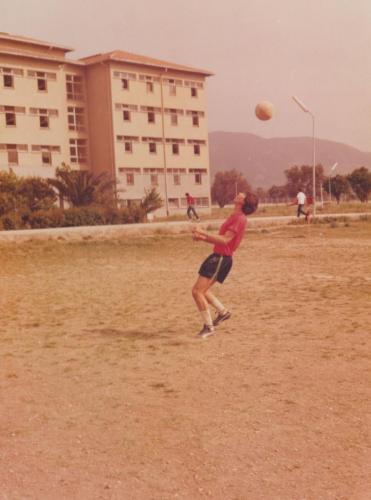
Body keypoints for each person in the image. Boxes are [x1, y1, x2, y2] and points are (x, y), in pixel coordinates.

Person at [191, 191, 259, 338]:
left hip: (221, 259)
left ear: (243, 202)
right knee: (202, 290)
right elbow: (220, 239)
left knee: (197, 292)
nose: (240, 193)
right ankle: (223, 312)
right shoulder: (235, 216)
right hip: (218, 256)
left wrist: (203, 232)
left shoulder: (240, 219)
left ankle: (209, 328)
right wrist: (202, 237)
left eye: (243, 194)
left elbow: (225, 240)